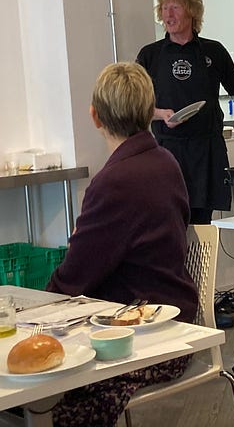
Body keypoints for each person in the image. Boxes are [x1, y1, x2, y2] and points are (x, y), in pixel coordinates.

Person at [46, 62, 198, 427]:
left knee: (48, 401)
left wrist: (34, 312)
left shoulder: (113, 182)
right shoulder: (166, 161)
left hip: (140, 338)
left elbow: (75, 277)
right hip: (177, 320)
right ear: (150, 111)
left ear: (95, 117)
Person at [137, 0, 234, 225]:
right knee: (168, 222)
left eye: (175, 7)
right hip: (167, 152)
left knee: (202, 224)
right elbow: (134, 106)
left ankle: (198, 263)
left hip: (207, 151)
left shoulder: (213, 51)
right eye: (164, 8)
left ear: (192, 12)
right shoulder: (150, 55)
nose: (168, 14)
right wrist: (160, 113)